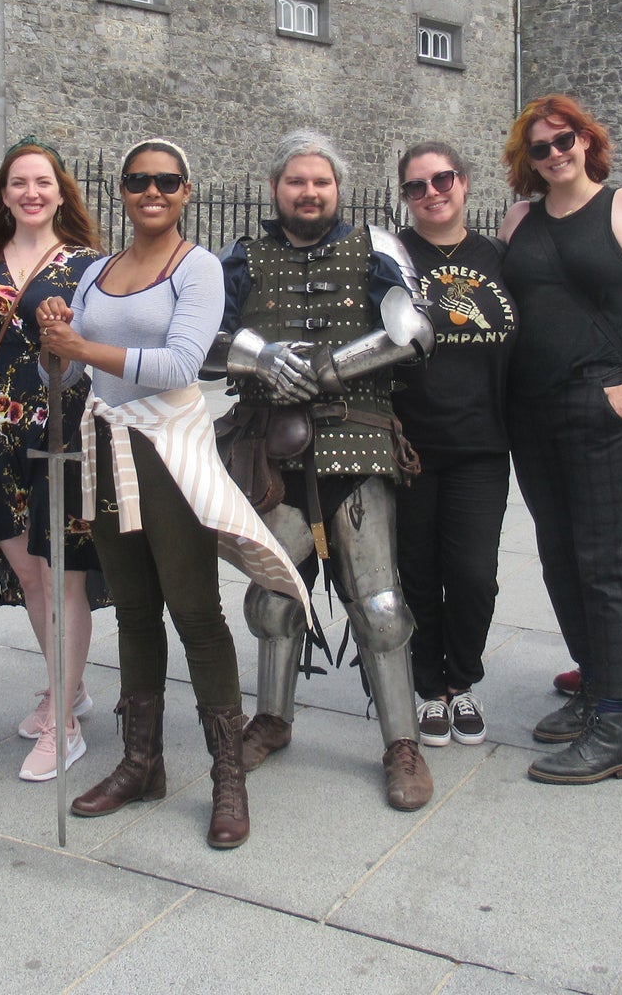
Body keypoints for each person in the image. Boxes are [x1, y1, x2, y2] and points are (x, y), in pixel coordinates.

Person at [40, 140, 308, 849]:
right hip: (105, 445)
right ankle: (141, 761)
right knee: (132, 608)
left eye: (165, 181)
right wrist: (54, 342)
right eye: (137, 180)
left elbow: (180, 363)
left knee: (193, 609)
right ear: (122, 190)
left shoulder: (198, 268)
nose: (150, 191)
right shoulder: (96, 270)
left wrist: (80, 350)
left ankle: (227, 777)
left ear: (187, 191)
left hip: (168, 450)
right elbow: (67, 379)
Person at [213, 129, 438, 811]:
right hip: (269, 448)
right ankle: (274, 720)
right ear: (276, 188)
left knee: (379, 604)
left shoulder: (375, 246)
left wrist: (336, 366)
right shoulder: (241, 257)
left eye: (320, 182)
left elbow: (417, 326)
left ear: (337, 188)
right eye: (295, 182)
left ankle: (402, 743)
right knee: (274, 594)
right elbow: (197, 336)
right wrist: (258, 357)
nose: (308, 192)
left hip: (359, 440)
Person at [500, 94, 622, 786]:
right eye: (541, 146)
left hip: (601, 401)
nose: (555, 154)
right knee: (557, 557)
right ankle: (593, 693)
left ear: (587, 141)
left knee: (602, 562)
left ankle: (614, 724)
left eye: (565, 140)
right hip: (532, 409)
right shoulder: (519, 219)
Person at [0, 140, 103, 782]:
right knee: (30, 577)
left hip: (60, 436)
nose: (31, 192)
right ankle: (68, 688)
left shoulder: (89, 265)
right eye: (19, 183)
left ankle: (64, 724)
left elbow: (111, 346)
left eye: (43, 182)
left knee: (61, 575)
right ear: (2, 193)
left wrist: (75, 335)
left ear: (61, 191)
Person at [388, 141, 516, 749]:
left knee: (473, 574)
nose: (432, 193)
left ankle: (463, 677)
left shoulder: (498, 256)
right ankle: (430, 688)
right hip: (409, 443)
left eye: (442, 180)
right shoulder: (392, 258)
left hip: (481, 444)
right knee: (416, 570)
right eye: (417, 186)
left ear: (464, 183)